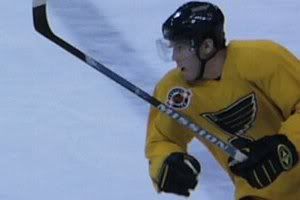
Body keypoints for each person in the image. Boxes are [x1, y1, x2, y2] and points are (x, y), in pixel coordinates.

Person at [145, 1, 300, 200]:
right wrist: (165, 164)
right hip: (259, 194)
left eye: (181, 47)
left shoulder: (262, 58)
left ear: (207, 46)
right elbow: (161, 140)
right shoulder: (175, 91)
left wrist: (286, 145)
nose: (175, 57)